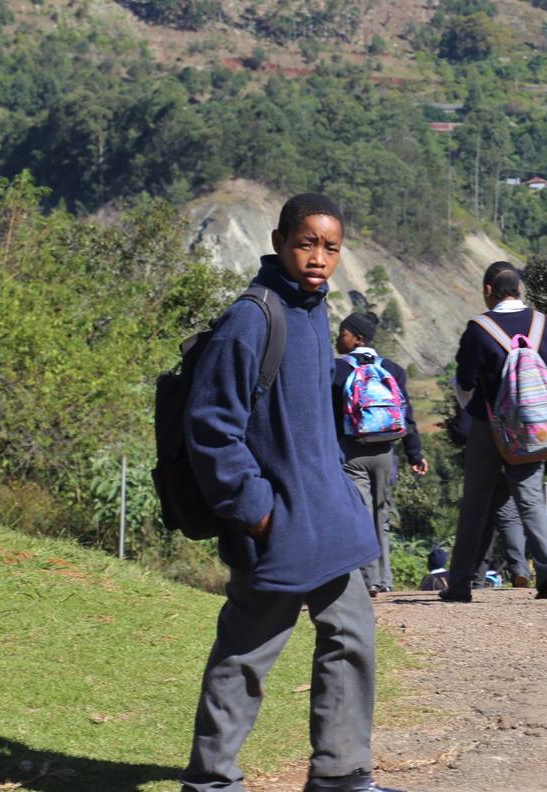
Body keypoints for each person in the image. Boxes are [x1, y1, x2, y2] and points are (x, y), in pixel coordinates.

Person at [180, 194, 402, 792]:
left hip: (329, 516)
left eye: (331, 247)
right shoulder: (252, 318)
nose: (318, 258)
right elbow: (210, 429)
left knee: (353, 640)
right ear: (279, 241)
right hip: (277, 524)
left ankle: (340, 773)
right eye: (307, 243)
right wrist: (255, 513)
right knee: (247, 651)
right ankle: (211, 779)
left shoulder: (313, 312)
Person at [441, 263, 547, 602]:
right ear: (519, 289)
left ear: (488, 290)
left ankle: (460, 584)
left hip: (488, 426)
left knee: (475, 504)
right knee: (529, 500)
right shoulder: (544, 325)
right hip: (532, 430)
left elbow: (465, 380)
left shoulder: (480, 329)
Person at [333, 311, 428, 596]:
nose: (339, 338)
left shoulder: (337, 369)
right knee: (380, 515)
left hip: (351, 452)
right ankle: (385, 579)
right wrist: (416, 454)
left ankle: (368, 579)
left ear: (357, 338)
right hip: (387, 451)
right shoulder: (394, 370)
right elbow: (406, 416)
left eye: (343, 333)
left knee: (359, 514)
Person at [446, 400, 532, 588]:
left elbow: (462, 431)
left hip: (483, 455)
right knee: (509, 515)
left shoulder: (477, 387)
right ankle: (520, 569)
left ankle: (476, 577)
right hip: (514, 451)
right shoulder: (513, 379)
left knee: (479, 517)